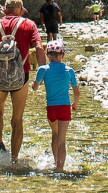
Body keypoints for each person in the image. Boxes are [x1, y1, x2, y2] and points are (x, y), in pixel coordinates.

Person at [0, 0, 47, 162]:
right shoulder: (29, 24)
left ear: (4, 9)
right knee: (17, 119)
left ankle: (0, 143)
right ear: (21, 9)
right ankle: (14, 159)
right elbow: (38, 47)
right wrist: (43, 73)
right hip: (21, 78)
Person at [32, 40, 79, 172]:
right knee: (62, 140)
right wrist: (75, 104)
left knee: (54, 134)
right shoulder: (69, 70)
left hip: (51, 107)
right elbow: (76, 92)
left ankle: (55, 162)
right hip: (65, 106)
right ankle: (60, 167)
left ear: (48, 55)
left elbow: (35, 88)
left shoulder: (43, 69)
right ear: (62, 55)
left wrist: (34, 84)